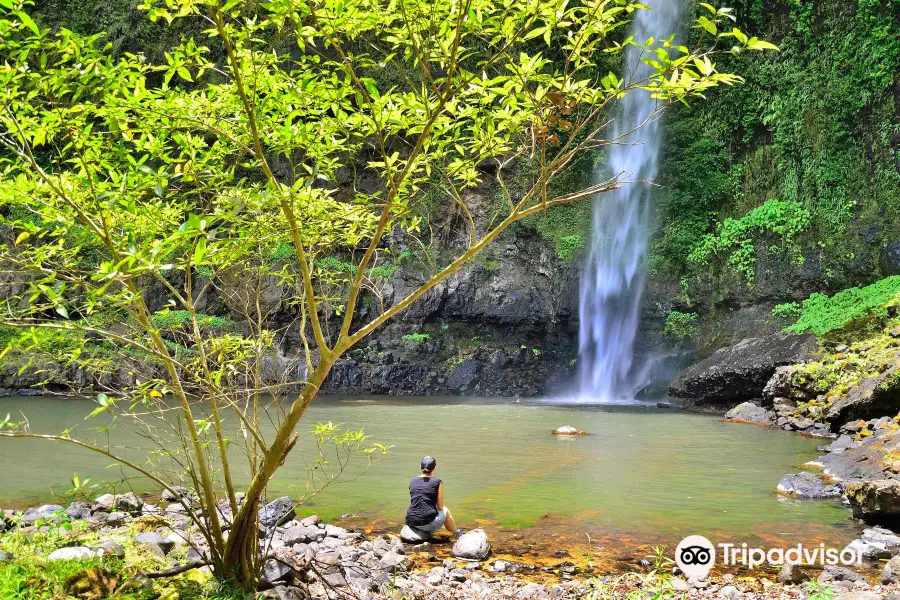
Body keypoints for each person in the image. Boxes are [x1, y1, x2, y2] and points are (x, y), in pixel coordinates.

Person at [405, 456, 460, 535]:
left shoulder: (413, 480)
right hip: (425, 524)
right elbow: (440, 507)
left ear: (420, 467)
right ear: (434, 468)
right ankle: (456, 533)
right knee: (445, 510)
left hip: (410, 521)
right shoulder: (437, 482)